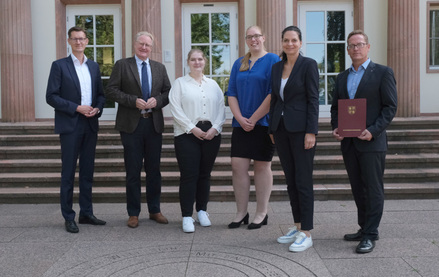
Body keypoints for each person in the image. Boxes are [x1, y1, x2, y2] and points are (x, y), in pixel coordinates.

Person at [330, 30, 397, 254]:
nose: (355, 48)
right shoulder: (342, 77)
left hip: (371, 142)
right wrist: (336, 128)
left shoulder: (383, 73)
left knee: (373, 188)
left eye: (359, 44)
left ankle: (371, 234)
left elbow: (390, 107)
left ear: (368, 47)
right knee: (358, 188)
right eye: (351, 45)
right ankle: (364, 228)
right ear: (347, 50)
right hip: (349, 142)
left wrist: (373, 131)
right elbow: (335, 108)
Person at [106, 31, 171, 228]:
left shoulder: (159, 68)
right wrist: (133, 101)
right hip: (131, 125)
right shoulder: (122, 65)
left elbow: (168, 92)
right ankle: (133, 213)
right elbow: (111, 90)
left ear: (152, 48)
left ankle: (154, 210)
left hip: (153, 124)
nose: (144, 48)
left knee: (154, 170)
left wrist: (157, 101)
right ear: (135, 45)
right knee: (133, 171)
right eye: (141, 44)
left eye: (148, 45)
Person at [46, 26, 106, 233]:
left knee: (87, 172)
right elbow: (51, 96)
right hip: (70, 124)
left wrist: (97, 109)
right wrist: (76, 108)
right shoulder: (59, 66)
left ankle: (86, 213)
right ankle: (68, 216)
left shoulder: (94, 67)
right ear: (69, 41)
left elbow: (101, 94)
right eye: (75, 39)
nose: (79, 42)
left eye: (82, 39)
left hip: (90, 124)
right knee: (68, 173)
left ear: (87, 41)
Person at [269, 26, 319, 252]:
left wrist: (312, 131)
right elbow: (275, 100)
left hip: (301, 131)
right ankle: (298, 225)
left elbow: (313, 100)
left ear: (300, 42)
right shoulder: (277, 67)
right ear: (282, 42)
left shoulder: (308, 65)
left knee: (303, 180)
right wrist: (272, 127)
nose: (290, 44)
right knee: (290, 180)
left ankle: (307, 232)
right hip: (281, 129)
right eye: (286, 40)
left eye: (294, 40)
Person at [226, 26, 280, 230]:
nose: (254, 39)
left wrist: (255, 118)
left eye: (257, 36)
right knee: (237, 167)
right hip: (240, 124)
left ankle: (261, 213)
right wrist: (240, 118)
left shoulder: (273, 60)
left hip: (263, 124)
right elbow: (231, 93)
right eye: (250, 37)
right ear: (246, 40)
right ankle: (241, 213)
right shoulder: (239, 63)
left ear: (264, 37)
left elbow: (272, 93)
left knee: (261, 166)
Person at [169, 49, 226, 233]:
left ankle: (202, 211)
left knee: (205, 174)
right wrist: (192, 129)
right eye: (193, 59)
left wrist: (215, 128)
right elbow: (175, 108)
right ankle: (187, 215)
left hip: (210, 134)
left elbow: (220, 108)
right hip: (187, 134)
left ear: (205, 61)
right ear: (188, 62)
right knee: (189, 175)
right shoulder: (180, 83)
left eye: (200, 59)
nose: (197, 62)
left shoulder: (213, 84)